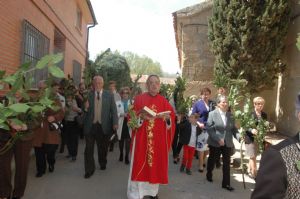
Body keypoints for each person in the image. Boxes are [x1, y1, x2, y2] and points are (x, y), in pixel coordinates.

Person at [127, 75, 175, 199]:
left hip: (157, 141)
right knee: (140, 164)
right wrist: (140, 118)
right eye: (151, 83)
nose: (154, 85)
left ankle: (153, 193)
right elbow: (130, 117)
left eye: (156, 83)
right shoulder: (139, 99)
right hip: (142, 140)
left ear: (159, 85)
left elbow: (172, 119)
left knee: (155, 166)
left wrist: (168, 119)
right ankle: (137, 193)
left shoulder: (164, 101)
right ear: (147, 85)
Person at [0, 91, 40, 199]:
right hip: (5, 138)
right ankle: (4, 192)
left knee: (21, 166)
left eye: (19, 88)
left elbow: (37, 120)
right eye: (14, 88)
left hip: (24, 139)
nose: (16, 92)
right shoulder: (4, 101)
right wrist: (7, 122)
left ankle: (18, 193)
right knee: (3, 166)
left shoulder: (29, 104)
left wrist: (25, 125)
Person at [83, 75, 118, 178]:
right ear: (93, 84)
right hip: (90, 126)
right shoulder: (88, 95)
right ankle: (89, 170)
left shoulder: (109, 95)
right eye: (96, 83)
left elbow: (114, 110)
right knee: (88, 149)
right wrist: (85, 108)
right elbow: (83, 110)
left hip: (104, 126)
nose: (97, 84)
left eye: (100, 83)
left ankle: (102, 162)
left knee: (102, 148)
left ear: (103, 84)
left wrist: (115, 123)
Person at [206, 95, 239, 191]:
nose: (225, 104)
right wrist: (218, 139)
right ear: (218, 104)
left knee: (226, 163)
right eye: (223, 102)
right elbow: (209, 128)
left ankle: (226, 184)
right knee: (212, 159)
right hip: (215, 142)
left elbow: (234, 129)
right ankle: (209, 173)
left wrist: (240, 138)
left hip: (227, 142)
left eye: (226, 102)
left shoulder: (231, 115)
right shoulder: (212, 114)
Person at [33, 81, 64, 178]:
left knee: (50, 151)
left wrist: (54, 117)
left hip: (49, 130)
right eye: (40, 88)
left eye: (44, 88)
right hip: (38, 129)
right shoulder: (34, 99)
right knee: (38, 151)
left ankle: (51, 162)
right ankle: (40, 170)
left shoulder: (54, 98)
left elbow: (62, 113)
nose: (42, 90)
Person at [192, 88, 214, 172]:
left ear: (210, 94)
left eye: (207, 94)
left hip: (211, 128)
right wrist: (198, 123)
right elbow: (193, 115)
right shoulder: (197, 104)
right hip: (201, 128)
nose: (206, 95)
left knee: (207, 148)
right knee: (201, 147)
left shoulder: (212, 103)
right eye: (204, 94)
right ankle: (200, 164)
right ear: (201, 95)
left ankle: (203, 160)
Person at [245, 97, 267, 179]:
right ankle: (255, 174)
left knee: (253, 156)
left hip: (259, 139)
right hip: (250, 138)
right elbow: (245, 126)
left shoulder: (264, 115)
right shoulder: (250, 114)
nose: (260, 105)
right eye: (258, 104)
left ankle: (248, 169)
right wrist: (251, 130)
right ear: (254, 104)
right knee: (253, 157)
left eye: (262, 104)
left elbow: (265, 125)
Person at [64, 92, 82, 161]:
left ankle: (74, 154)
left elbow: (79, 110)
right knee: (68, 138)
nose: (69, 98)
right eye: (68, 96)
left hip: (74, 122)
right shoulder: (65, 102)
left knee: (74, 139)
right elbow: (65, 111)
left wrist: (76, 108)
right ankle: (70, 152)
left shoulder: (75, 101)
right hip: (67, 122)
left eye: (70, 96)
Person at [116, 87, 132, 165]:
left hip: (129, 123)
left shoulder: (132, 102)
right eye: (123, 93)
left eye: (127, 93)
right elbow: (114, 113)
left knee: (128, 140)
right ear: (121, 94)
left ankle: (126, 156)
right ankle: (121, 153)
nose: (125, 94)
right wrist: (121, 114)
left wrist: (132, 115)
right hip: (121, 123)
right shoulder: (117, 103)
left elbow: (136, 112)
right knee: (121, 140)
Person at [108, 80, 121, 152]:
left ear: (114, 87)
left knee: (113, 131)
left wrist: (117, 116)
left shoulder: (117, 95)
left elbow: (119, 106)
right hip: (107, 116)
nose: (111, 87)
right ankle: (108, 143)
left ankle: (111, 145)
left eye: (112, 86)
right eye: (110, 86)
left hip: (114, 115)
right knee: (107, 130)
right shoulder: (107, 94)